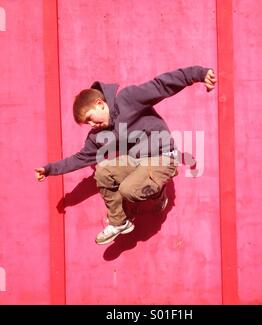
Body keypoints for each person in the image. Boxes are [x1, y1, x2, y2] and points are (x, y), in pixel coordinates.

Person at [35, 66, 216, 245]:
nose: (92, 124)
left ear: (100, 104)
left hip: (162, 157)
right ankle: (119, 222)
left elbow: (161, 85)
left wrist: (199, 75)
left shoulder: (128, 99)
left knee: (128, 190)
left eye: (91, 118)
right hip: (138, 162)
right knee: (103, 171)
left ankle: (159, 195)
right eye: (87, 123)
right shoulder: (97, 135)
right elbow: (81, 158)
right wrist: (50, 169)